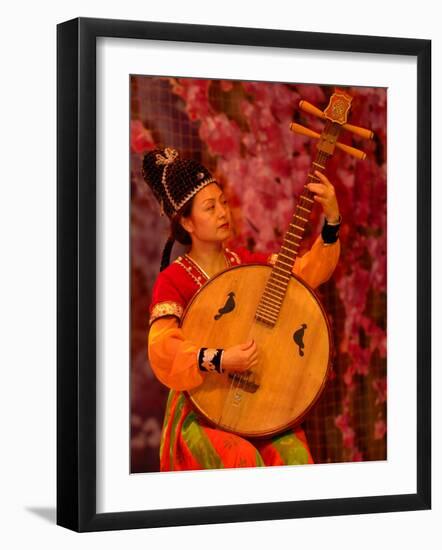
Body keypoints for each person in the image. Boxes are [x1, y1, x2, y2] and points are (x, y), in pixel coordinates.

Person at [142, 147, 341, 471]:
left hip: (257, 404)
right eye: (210, 207)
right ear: (188, 222)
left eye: (222, 202)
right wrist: (221, 358)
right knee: (240, 457)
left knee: (294, 456)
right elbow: (162, 349)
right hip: (201, 407)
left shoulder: (243, 264)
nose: (223, 212)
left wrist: (331, 221)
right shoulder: (174, 279)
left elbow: (302, 276)